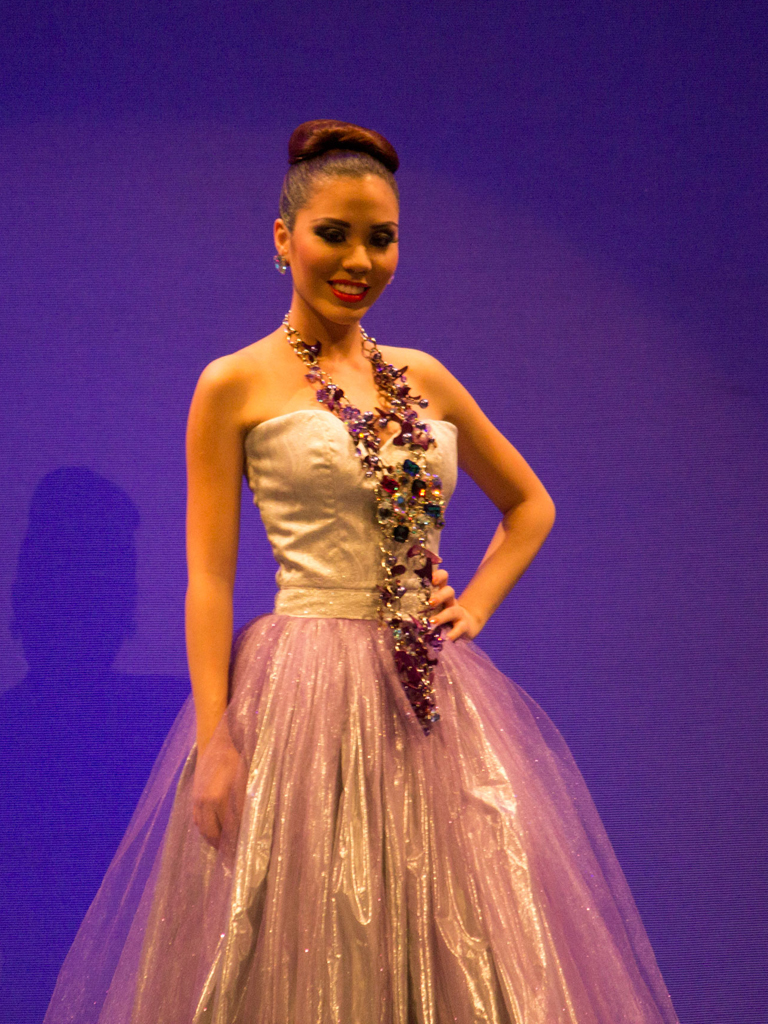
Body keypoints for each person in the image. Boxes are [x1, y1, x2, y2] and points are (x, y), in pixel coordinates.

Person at [43, 120, 679, 1024]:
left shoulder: (424, 376)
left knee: (459, 940)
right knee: (305, 943)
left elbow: (529, 505)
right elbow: (209, 579)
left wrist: (474, 605)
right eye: (333, 234)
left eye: (381, 238)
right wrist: (214, 740)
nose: (359, 260)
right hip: (300, 695)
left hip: (428, 701)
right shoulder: (233, 383)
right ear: (283, 238)